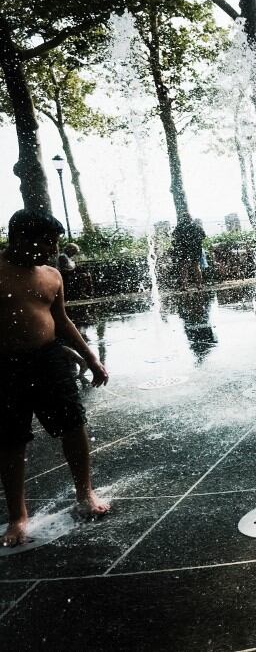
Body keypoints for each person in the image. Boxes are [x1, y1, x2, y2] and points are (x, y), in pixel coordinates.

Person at [0, 209, 110, 547]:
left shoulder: (51, 275)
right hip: (5, 366)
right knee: (10, 439)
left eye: (53, 244)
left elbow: (60, 320)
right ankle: (18, 515)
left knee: (73, 425)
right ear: (19, 238)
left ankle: (85, 493)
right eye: (44, 243)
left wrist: (90, 357)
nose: (49, 251)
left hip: (49, 359)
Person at [171, 215, 205, 290]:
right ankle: (199, 285)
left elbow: (174, 235)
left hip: (184, 249)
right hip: (194, 249)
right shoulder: (196, 226)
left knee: (184, 267)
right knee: (196, 266)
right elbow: (203, 236)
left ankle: (184, 286)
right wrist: (195, 241)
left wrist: (181, 241)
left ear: (183, 219)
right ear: (191, 219)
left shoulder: (179, 227)